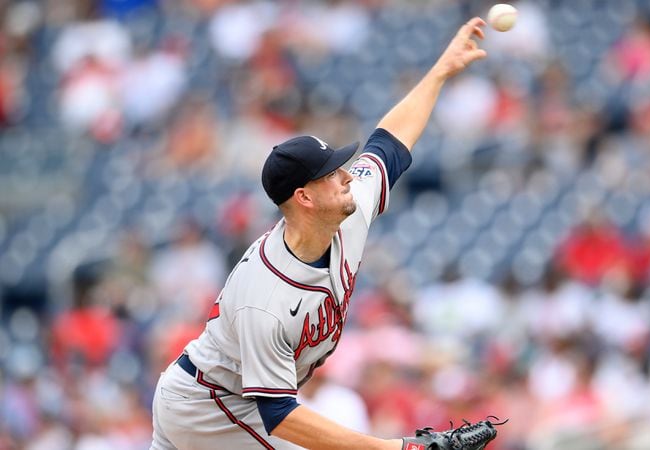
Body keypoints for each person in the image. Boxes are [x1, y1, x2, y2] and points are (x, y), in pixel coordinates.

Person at [150, 17, 489, 450]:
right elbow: (280, 415)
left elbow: (389, 143)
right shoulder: (265, 296)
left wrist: (440, 71)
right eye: (331, 173)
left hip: (225, 399)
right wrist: (396, 448)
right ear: (304, 198)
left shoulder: (345, 208)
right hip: (211, 406)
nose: (346, 175)